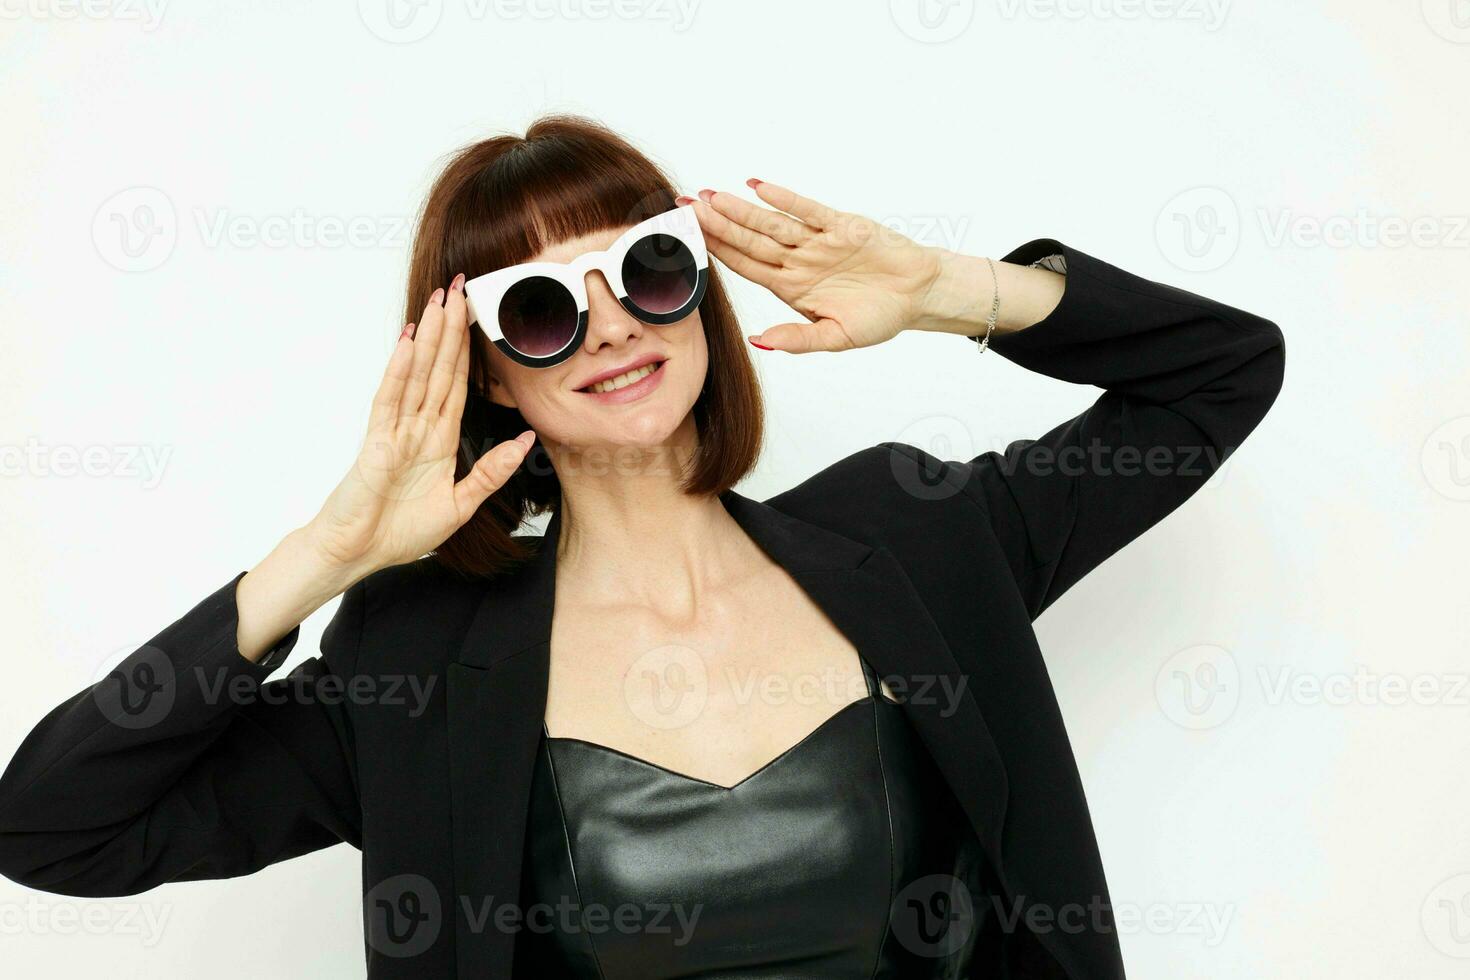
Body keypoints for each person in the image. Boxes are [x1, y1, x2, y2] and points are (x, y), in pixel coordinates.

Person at [0, 114, 1285, 979]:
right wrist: (325, 552)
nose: (611, 327)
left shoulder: (920, 537)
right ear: (487, 373)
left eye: (651, 269)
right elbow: (54, 827)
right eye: (544, 308)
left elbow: (1219, 374)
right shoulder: (418, 668)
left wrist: (951, 290)